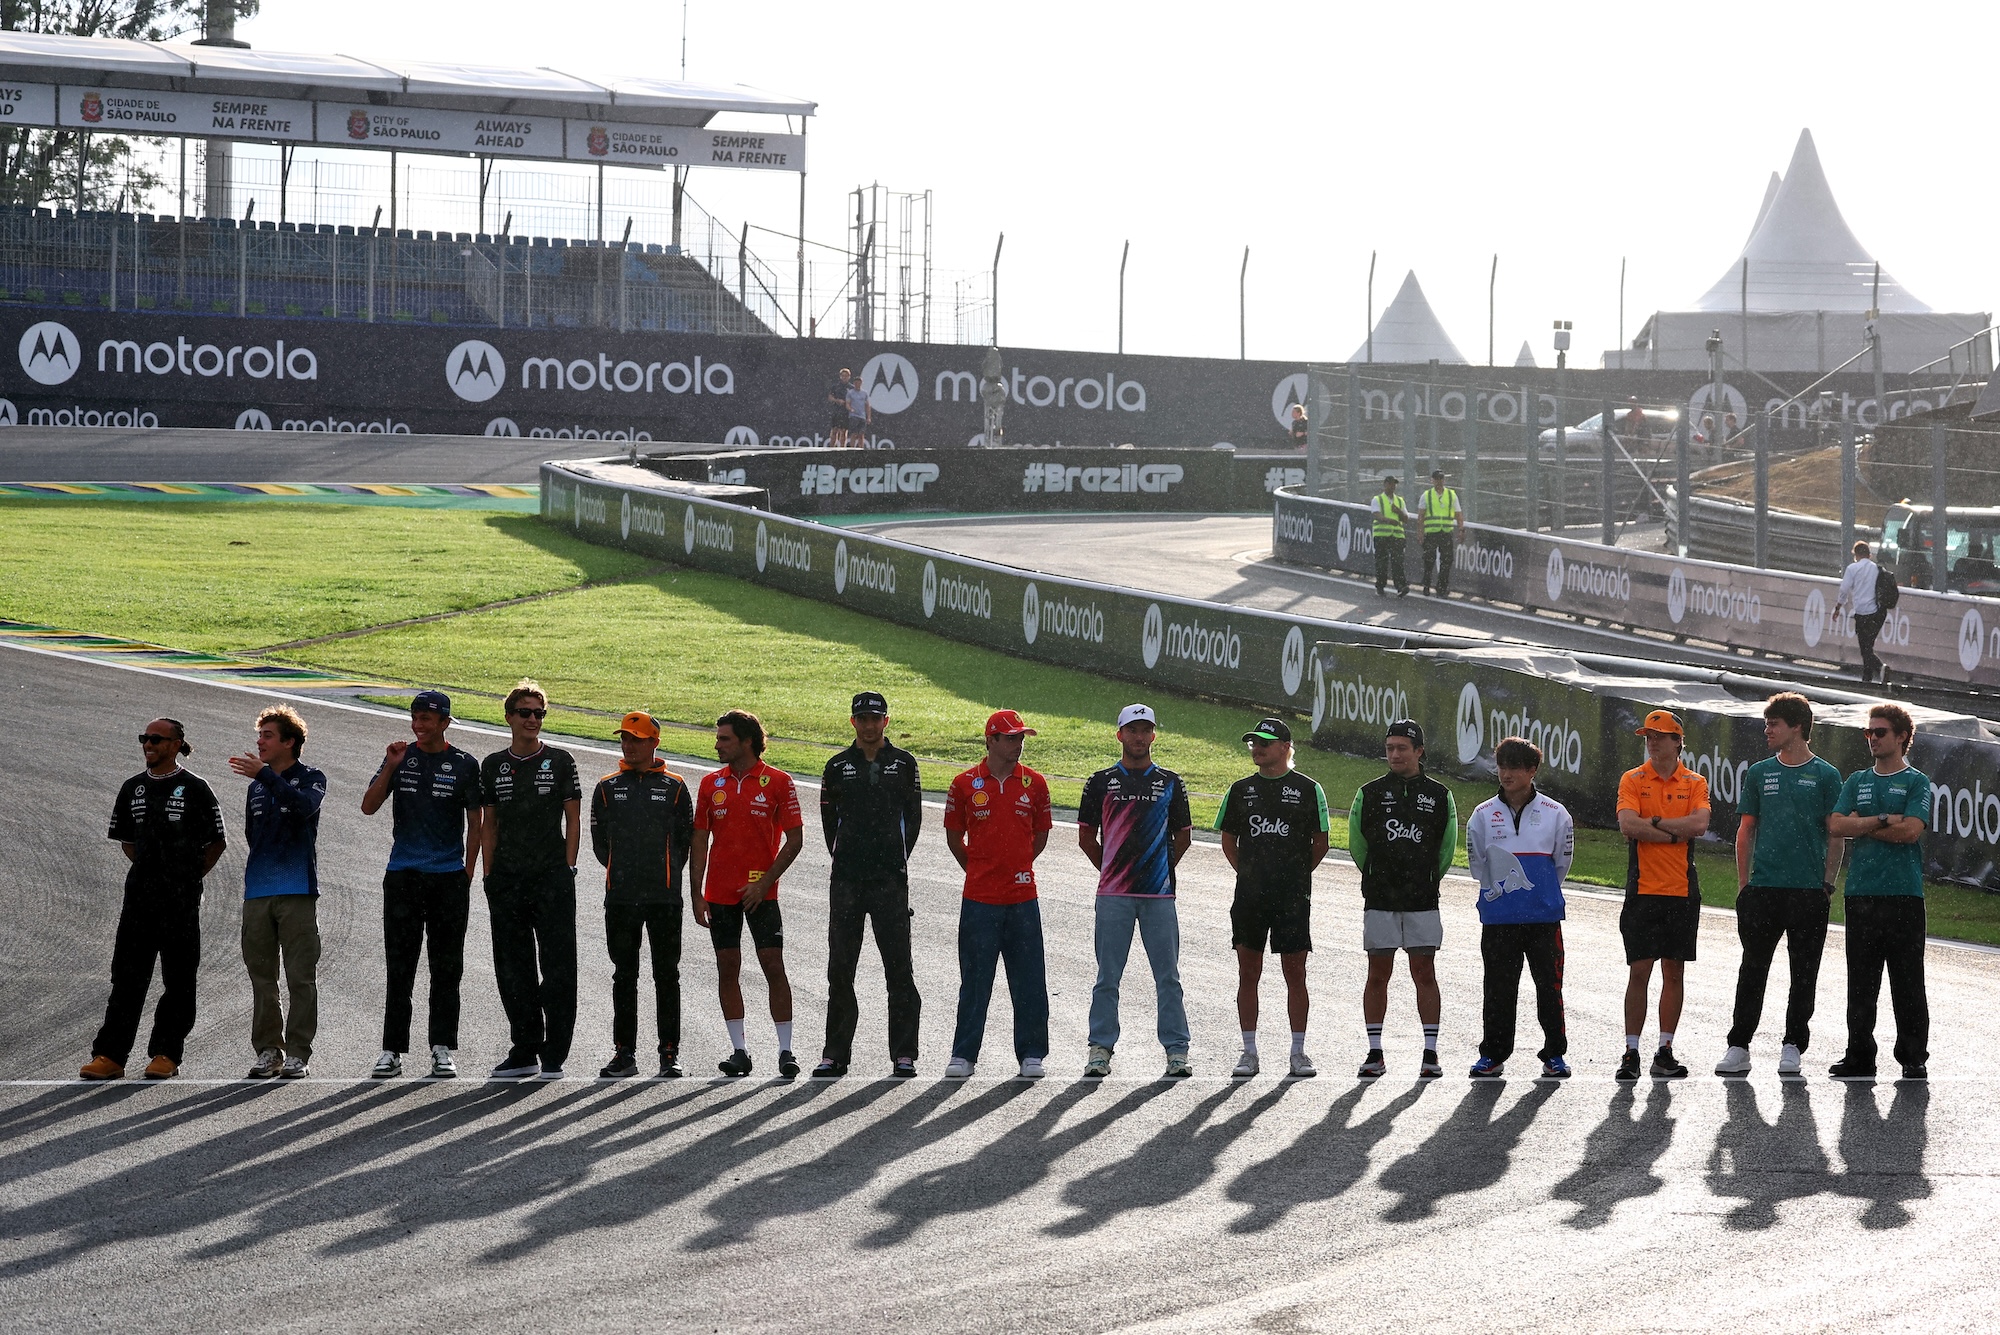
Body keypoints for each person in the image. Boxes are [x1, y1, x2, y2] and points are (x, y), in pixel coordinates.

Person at [80, 720, 227, 1081]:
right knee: (126, 979)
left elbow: (217, 843)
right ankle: (110, 1055)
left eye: (157, 739)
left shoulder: (196, 788)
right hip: (139, 900)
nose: (149, 744)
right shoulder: (132, 787)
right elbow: (128, 842)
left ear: (176, 744)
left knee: (179, 980)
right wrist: (151, 872)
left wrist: (186, 877)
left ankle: (166, 1054)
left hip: (180, 901)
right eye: (145, 738)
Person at [1715, 693, 1844, 1078]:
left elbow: (1836, 834)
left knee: (1804, 972)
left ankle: (1793, 1045)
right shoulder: (1759, 773)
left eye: (1774, 724)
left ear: (1797, 727)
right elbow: (1745, 830)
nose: (1767, 730)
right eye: (1766, 724)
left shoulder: (1826, 775)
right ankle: (1739, 1045)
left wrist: (1827, 885)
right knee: (1752, 969)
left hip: (1808, 892)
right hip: (1763, 889)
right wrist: (1744, 885)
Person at [359, 689, 483, 1080]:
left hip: (448, 878)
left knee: (447, 968)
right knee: (400, 967)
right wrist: (390, 767)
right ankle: (391, 1050)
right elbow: (368, 806)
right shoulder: (399, 756)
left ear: (445, 722)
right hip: (403, 875)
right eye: (414, 717)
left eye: (426, 718)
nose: (418, 724)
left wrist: (467, 871)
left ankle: (442, 1048)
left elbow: (477, 822)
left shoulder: (465, 764)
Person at [1078, 704, 1195, 1079]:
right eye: (1132, 730)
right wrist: (1114, 870)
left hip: (1159, 896)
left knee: (1169, 977)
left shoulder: (1171, 782)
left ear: (1154, 735)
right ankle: (1100, 1049)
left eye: (1146, 730)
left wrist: (1158, 870)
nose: (1139, 737)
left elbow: (1183, 836)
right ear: (1120, 735)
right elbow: (1086, 838)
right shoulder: (1100, 782)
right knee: (1107, 977)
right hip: (1113, 895)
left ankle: (1177, 1051)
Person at [689, 709, 804, 1078]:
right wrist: (696, 893)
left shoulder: (779, 781)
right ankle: (739, 1051)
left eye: (724, 739)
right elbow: (699, 840)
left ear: (747, 741)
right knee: (728, 968)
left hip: (762, 894)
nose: (717, 745)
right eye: (718, 738)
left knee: (773, 966)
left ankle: (786, 1051)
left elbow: (795, 839)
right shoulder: (710, 784)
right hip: (719, 893)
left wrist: (764, 883)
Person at [816, 691, 923, 1078]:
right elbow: (829, 823)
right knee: (840, 969)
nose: (869, 725)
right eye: (862, 719)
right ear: (853, 722)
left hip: (890, 881)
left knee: (899, 969)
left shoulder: (905, 764)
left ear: (885, 721)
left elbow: (913, 819)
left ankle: (904, 1054)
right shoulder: (836, 766)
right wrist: (847, 856)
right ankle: (835, 1054)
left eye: (875, 718)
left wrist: (894, 858)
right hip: (846, 880)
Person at [479, 680, 583, 1080]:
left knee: (558, 967)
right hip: (507, 878)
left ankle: (554, 1054)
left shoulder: (560, 761)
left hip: (552, 877)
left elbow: (573, 819)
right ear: (509, 717)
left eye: (539, 713)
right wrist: (489, 874)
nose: (533, 720)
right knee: (512, 967)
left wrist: (568, 867)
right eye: (525, 713)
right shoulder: (493, 765)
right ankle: (524, 1049)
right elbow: (489, 825)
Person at [942, 710, 1053, 1079]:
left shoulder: (1035, 783)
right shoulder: (963, 784)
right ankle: (964, 1054)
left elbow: (1040, 836)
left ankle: (1032, 1054)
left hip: (1023, 898)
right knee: (975, 980)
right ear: (990, 740)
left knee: (1030, 980)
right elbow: (954, 838)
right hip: (979, 900)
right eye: (1010, 738)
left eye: (1020, 738)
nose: (1017, 744)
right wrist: (980, 870)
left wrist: (1015, 866)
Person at [1215, 717, 1329, 1079]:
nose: (1258, 748)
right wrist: (1249, 874)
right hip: (1249, 898)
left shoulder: (1309, 789)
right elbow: (1228, 840)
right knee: (1248, 972)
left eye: (1265, 742)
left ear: (1285, 747)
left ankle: (1298, 1052)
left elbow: (1321, 842)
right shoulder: (1240, 790)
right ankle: (1249, 1052)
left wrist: (1293, 877)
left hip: (1292, 899)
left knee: (1295, 975)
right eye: (1254, 743)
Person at [1826, 704, 1931, 1080]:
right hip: (1861, 892)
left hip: (1904, 895)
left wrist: (1862, 824)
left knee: (1907, 981)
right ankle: (1859, 1055)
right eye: (1868, 732)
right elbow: (1836, 825)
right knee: (1861, 981)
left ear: (1902, 737)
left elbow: (1911, 832)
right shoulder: (1857, 780)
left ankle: (1913, 1057)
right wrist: (1883, 819)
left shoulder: (1917, 781)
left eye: (1880, 732)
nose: (1872, 738)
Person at [1348, 719, 1456, 1078]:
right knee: (1377, 973)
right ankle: (1375, 1052)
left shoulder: (1439, 795)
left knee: (1424, 972)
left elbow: (1446, 849)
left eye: (1402, 748)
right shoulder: (1369, 793)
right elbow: (1357, 845)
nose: (1394, 754)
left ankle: (1430, 1054)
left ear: (1419, 751)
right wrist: (1378, 876)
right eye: (1390, 748)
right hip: (1380, 899)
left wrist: (1424, 879)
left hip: (1422, 900)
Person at [589, 711, 694, 1079]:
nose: (628, 745)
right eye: (625, 738)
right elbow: (600, 844)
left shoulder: (676, 786)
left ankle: (669, 1053)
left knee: (667, 975)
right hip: (620, 897)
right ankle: (624, 1053)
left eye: (637, 739)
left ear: (654, 743)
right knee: (624, 976)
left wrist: (663, 872)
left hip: (664, 898)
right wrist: (621, 870)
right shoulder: (606, 787)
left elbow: (684, 842)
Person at [228, 705, 328, 1080]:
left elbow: (303, 808)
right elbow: (252, 836)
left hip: (297, 890)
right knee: (262, 977)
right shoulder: (256, 786)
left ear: (289, 741)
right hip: (257, 892)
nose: (260, 742)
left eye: (267, 736)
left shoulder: (311, 778)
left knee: (300, 976)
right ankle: (269, 1050)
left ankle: (299, 1052)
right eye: (259, 735)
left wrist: (266, 776)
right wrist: (264, 778)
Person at [1466, 736, 1574, 1080]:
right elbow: (1477, 865)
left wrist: (1538, 893)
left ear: (1532, 770)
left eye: (1515, 767)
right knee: (1498, 988)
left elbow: (1561, 864)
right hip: (1499, 918)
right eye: (1502, 766)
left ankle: (1554, 1054)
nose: (1506, 774)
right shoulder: (1482, 814)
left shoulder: (1556, 813)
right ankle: (1492, 1055)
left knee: (1549, 987)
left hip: (1543, 916)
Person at [1614, 709, 1711, 1081]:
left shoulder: (1695, 782)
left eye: (1659, 736)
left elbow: (1699, 824)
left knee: (1674, 972)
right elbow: (1628, 824)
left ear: (1677, 742)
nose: (1652, 742)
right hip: (1643, 889)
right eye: (1648, 737)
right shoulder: (1633, 778)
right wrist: (1673, 833)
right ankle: (1631, 1052)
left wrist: (1653, 823)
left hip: (1681, 890)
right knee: (1639, 971)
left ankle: (1665, 1050)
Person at [1834, 539, 1888, 684]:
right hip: (1878, 613)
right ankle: (1867, 677)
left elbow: (1844, 589)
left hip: (1863, 613)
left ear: (1856, 554)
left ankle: (1880, 668)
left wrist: (1838, 607)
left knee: (1865, 648)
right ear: (1869, 554)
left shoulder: (1852, 569)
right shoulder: (1877, 569)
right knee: (1868, 646)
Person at [1417, 467, 1464, 598]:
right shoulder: (1426, 495)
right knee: (1429, 560)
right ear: (1432, 480)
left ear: (1444, 480)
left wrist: (1461, 529)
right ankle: (1427, 583)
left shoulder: (1451, 495)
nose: (1439, 481)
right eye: (1436, 479)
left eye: (1441, 479)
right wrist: (1420, 532)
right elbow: (1421, 516)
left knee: (1447, 561)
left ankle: (1441, 587)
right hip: (1431, 533)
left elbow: (1458, 514)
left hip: (1446, 532)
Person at [1371, 474, 1410, 597]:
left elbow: (1406, 519)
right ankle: (1380, 585)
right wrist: (1388, 520)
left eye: (1394, 484)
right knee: (1381, 562)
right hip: (1382, 535)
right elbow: (1377, 515)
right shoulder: (1377, 499)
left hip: (1397, 536)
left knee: (1397, 561)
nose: (1392, 486)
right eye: (1390, 484)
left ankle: (1401, 586)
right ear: (1385, 484)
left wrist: (1398, 511)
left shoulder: (1400, 501)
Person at [827, 367, 854, 448]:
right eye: (843, 375)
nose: (844, 377)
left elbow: (855, 400)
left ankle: (842, 449)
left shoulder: (852, 388)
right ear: (840, 376)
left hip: (846, 412)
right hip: (836, 411)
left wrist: (848, 403)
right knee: (834, 430)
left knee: (844, 431)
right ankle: (831, 449)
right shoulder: (835, 386)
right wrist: (837, 400)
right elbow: (830, 397)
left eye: (846, 376)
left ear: (849, 377)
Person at [845, 377, 872, 449]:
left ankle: (861, 450)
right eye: (856, 383)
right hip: (853, 416)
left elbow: (867, 405)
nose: (858, 384)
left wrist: (868, 417)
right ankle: (852, 449)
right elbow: (847, 404)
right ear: (854, 383)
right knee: (854, 434)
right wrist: (850, 409)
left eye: (859, 383)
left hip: (862, 417)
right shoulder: (850, 393)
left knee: (861, 434)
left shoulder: (864, 393)